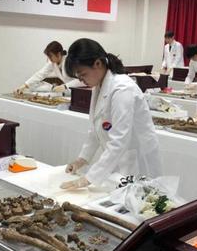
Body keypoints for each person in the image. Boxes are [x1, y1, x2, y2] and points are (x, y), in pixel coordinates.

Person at [60, 38, 162, 190]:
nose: (82, 80)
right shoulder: (99, 85)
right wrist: (81, 160)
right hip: (119, 158)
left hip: (136, 158)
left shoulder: (122, 88)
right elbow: (95, 129)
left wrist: (88, 178)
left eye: (83, 75)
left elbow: (120, 140)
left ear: (98, 63)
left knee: (137, 200)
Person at [15, 41, 84, 94]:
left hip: (82, 91)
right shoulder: (52, 63)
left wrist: (65, 86)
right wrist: (24, 85)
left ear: (59, 54)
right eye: (48, 56)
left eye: (50, 56)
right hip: (69, 92)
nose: (49, 58)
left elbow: (82, 80)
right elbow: (40, 74)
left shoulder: (70, 62)